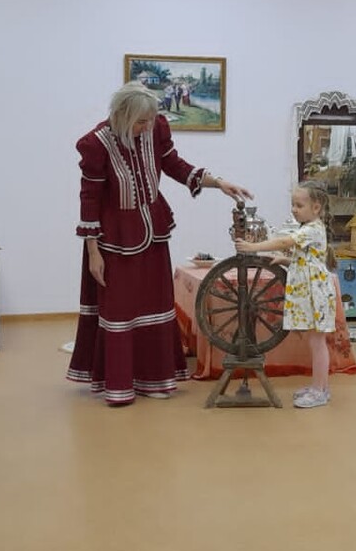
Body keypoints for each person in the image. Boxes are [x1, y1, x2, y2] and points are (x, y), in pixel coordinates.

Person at [69, 82, 251, 406]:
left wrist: (218, 182)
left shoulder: (156, 130)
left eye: (150, 120)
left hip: (153, 234)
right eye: (141, 121)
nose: (147, 126)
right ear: (121, 115)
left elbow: (175, 165)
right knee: (120, 310)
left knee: (154, 305)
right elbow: (90, 199)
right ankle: (120, 384)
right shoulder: (95, 144)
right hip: (115, 242)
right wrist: (93, 252)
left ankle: (152, 379)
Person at [235, 182, 339, 408]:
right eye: (293, 204)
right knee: (315, 341)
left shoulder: (312, 229)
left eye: (299, 205)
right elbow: (309, 258)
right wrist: (287, 260)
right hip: (311, 290)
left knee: (317, 342)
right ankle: (320, 386)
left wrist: (253, 247)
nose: (294, 209)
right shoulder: (310, 227)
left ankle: (320, 391)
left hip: (316, 293)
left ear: (316, 207)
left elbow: (285, 241)